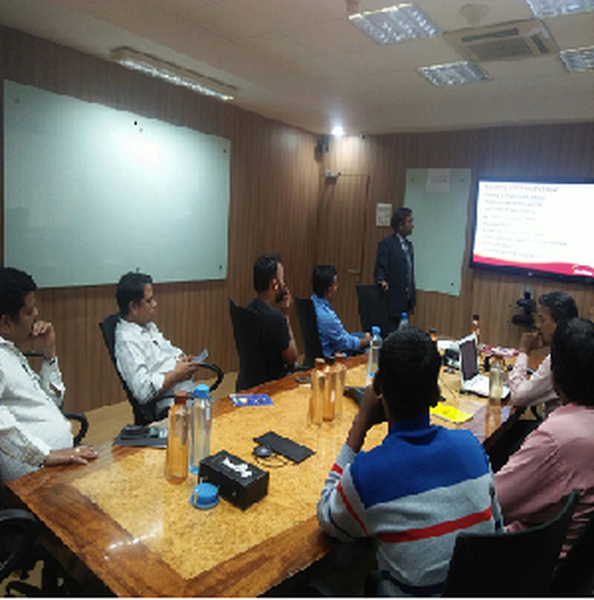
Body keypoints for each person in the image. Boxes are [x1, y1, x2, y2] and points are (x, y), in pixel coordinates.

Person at [317, 326, 501, 596]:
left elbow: (327, 516)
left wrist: (361, 424)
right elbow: (498, 530)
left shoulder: (367, 475)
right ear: (435, 394)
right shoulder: (472, 447)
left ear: (378, 388)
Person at [495, 318, 594, 556]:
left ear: (554, 375)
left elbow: (489, 505)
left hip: (525, 561)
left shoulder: (557, 439)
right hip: (572, 562)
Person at [0, 267, 97, 482]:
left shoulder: (9, 352)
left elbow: (53, 402)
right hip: (34, 474)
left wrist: (49, 354)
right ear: (5, 322)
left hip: (54, 459)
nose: (36, 314)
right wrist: (47, 455)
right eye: (29, 312)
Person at [114, 272, 201, 418]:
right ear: (134, 307)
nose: (155, 304)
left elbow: (168, 349)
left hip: (186, 395)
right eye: (149, 301)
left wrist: (181, 359)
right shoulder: (127, 342)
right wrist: (175, 375)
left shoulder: (146, 325)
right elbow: (143, 391)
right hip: (170, 407)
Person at [508, 291, 578, 418]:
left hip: (557, 428)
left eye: (542, 320)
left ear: (558, 325)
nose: (538, 326)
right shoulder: (576, 348)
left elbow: (518, 397)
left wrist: (524, 350)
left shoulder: (559, 358)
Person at [245, 254, 298, 386]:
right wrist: (286, 315)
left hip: (249, 383)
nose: (284, 285)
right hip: (272, 386)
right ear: (274, 284)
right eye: (282, 279)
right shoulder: (276, 318)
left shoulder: (248, 309)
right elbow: (292, 358)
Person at [310, 265, 370, 357]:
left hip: (324, 347)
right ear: (329, 290)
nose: (337, 288)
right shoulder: (326, 316)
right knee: (372, 347)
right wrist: (368, 340)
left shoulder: (312, 301)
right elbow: (346, 344)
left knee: (358, 335)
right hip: (332, 356)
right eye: (335, 285)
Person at [374, 206, 415, 334]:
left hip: (406, 301)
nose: (413, 225)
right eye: (410, 221)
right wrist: (381, 279)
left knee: (403, 335)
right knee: (391, 335)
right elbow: (381, 265)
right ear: (400, 225)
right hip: (392, 302)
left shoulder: (409, 246)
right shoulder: (387, 244)